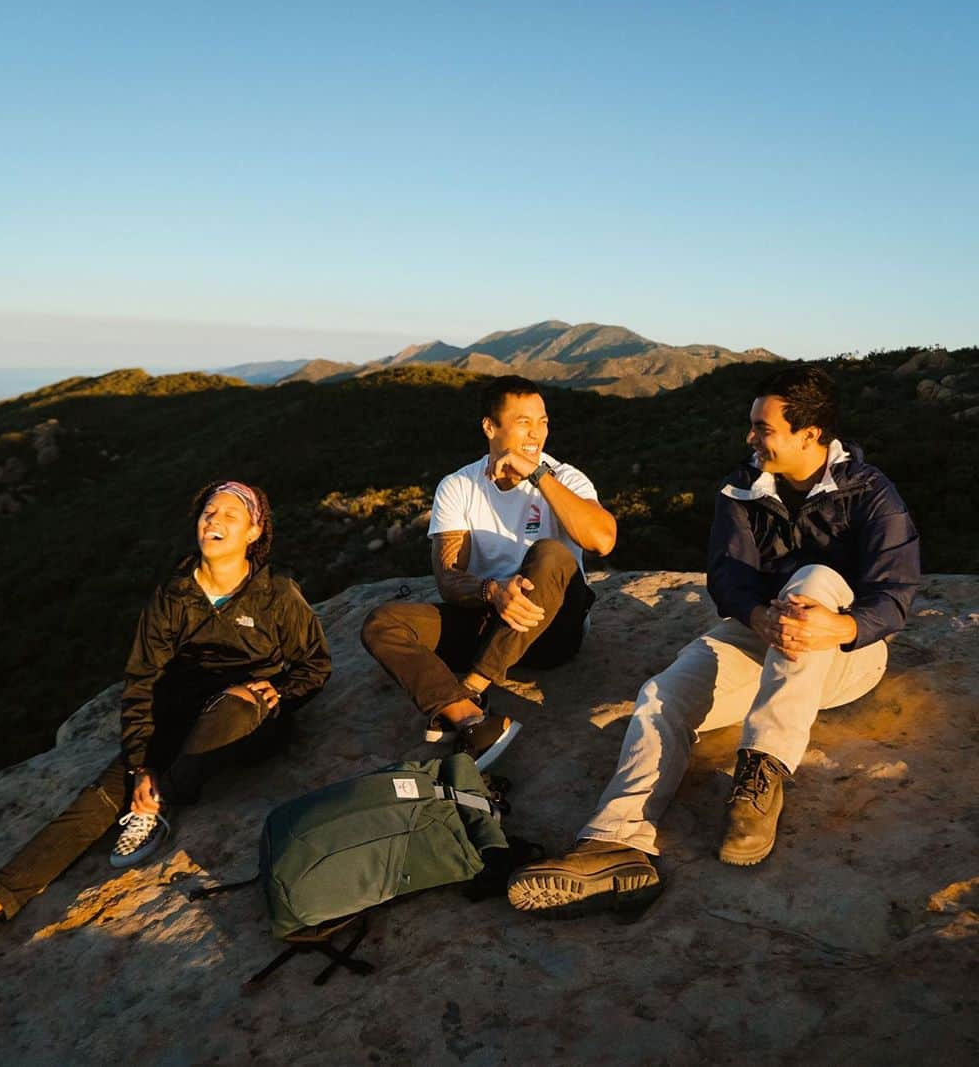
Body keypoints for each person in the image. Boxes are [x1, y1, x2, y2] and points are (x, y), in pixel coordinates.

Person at [508, 365, 920, 916]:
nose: (750, 437)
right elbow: (727, 577)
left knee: (813, 583)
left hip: (847, 654)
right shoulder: (743, 487)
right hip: (760, 633)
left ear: (810, 434)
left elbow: (896, 593)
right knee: (662, 696)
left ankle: (761, 775)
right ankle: (616, 846)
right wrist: (758, 618)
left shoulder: (871, 495)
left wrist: (840, 626)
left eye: (763, 428)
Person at [0, 481, 331, 956]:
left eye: (231, 514)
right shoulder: (173, 596)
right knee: (102, 794)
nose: (215, 521)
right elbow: (142, 683)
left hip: (247, 724)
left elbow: (315, 664)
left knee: (233, 704)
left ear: (254, 532)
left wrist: (283, 692)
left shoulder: (276, 594)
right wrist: (142, 765)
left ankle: (162, 799)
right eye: (209, 512)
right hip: (181, 721)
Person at [361, 375, 616, 768]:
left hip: (552, 630)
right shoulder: (459, 486)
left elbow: (602, 541)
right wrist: (494, 592)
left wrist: (538, 475)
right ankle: (469, 716)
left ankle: (473, 685)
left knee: (550, 553)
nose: (537, 433)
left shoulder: (564, 477)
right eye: (524, 422)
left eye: (543, 421)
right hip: (488, 616)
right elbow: (448, 578)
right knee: (383, 624)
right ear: (490, 427)